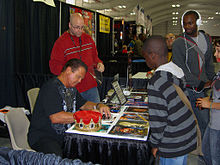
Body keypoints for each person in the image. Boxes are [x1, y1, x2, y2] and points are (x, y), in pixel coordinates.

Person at [28, 59, 111, 157]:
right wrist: (85, 116)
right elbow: (56, 117)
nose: (80, 81)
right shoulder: (51, 88)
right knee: (58, 158)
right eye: (78, 76)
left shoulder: (71, 88)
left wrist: (98, 105)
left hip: (65, 134)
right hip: (44, 136)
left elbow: (83, 104)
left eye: (81, 78)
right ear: (68, 70)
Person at [142, 36, 197, 165]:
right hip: (186, 132)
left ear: (153, 55)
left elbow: (159, 121)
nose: (145, 61)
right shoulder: (176, 70)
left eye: (145, 57)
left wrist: (155, 144)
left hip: (173, 141)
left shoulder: (156, 82)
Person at [172, 10, 215, 138]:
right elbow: (181, 69)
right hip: (190, 88)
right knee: (201, 121)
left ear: (198, 22)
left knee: (207, 122)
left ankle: (206, 152)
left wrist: (212, 81)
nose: (187, 27)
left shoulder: (206, 39)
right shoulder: (179, 43)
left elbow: (209, 62)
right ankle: (204, 153)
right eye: (184, 24)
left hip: (204, 88)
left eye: (190, 23)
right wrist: (200, 83)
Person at [49, 13, 104, 103]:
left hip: (90, 86)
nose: (80, 30)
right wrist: (69, 73)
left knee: (96, 113)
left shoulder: (88, 39)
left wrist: (99, 63)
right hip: (73, 88)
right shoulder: (61, 43)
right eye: (77, 27)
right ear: (70, 25)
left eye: (82, 27)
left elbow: (95, 58)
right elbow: (54, 66)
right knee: (75, 116)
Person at [196, 39, 220, 165]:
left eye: (218, 51)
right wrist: (209, 100)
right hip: (213, 123)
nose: (215, 55)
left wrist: (210, 104)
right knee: (205, 153)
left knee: (215, 158)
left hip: (218, 126)